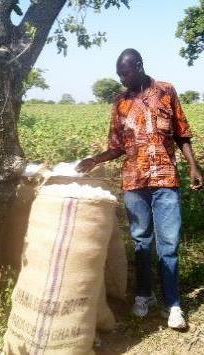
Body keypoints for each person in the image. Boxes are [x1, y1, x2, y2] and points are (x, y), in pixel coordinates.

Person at [76, 48, 203, 329]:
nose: (122, 79)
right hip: (134, 183)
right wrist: (95, 159)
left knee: (168, 245)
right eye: (119, 74)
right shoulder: (120, 102)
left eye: (126, 73)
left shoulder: (166, 91)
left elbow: (182, 133)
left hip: (166, 180)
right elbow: (117, 146)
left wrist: (193, 166)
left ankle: (173, 305)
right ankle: (144, 295)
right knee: (141, 242)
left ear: (140, 66)